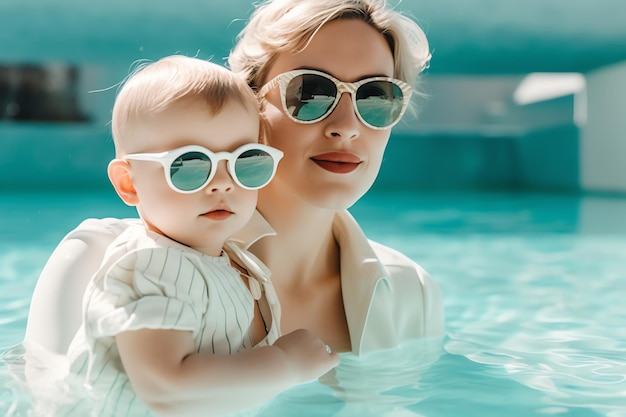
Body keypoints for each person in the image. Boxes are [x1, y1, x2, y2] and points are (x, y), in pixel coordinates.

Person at [26, 0, 444, 386]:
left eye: (376, 97)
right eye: (311, 92)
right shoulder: (96, 264)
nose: (347, 126)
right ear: (252, 103)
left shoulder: (414, 294)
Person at [49, 55, 339, 417]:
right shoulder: (152, 263)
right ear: (129, 182)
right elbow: (165, 390)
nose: (222, 182)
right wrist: (285, 364)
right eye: (190, 165)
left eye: (246, 160)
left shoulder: (233, 259)